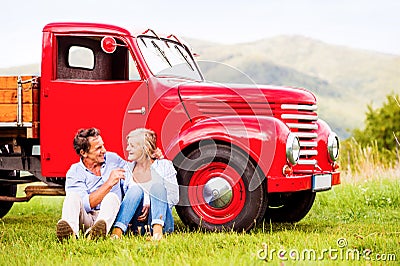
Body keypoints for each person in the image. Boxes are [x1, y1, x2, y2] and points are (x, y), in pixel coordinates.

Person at [56, 127, 143, 241]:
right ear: (84, 153)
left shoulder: (113, 159)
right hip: (86, 218)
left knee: (112, 197)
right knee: (72, 197)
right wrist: (109, 184)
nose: (104, 150)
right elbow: (86, 204)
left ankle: (97, 232)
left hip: (110, 216)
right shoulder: (74, 172)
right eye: (98, 148)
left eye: (102, 145)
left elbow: (131, 178)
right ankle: (71, 234)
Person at [111, 128, 179, 240]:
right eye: (128, 145)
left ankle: (157, 234)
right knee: (135, 190)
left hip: (163, 222)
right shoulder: (127, 169)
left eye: (132, 146)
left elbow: (173, 197)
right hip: (137, 224)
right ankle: (116, 233)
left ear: (145, 148)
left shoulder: (164, 166)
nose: (128, 149)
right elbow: (124, 199)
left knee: (157, 187)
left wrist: (151, 204)